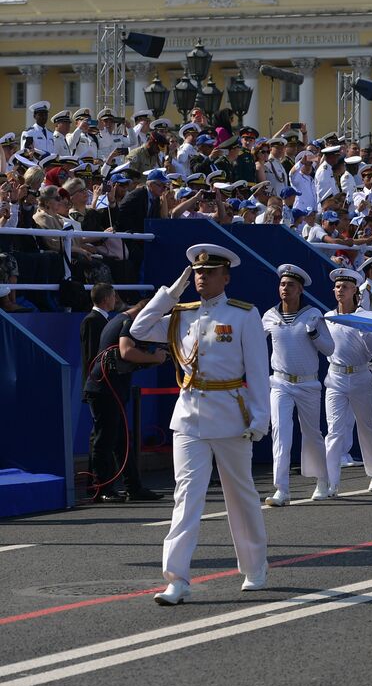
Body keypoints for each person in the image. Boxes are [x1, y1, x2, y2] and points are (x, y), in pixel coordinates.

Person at [129, 244, 271, 605]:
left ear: (226, 277)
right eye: (196, 272)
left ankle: (255, 566)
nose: (201, 278)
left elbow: (257, 370)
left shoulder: (243, 315)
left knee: (241, 495)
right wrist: (172, 292)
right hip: (190, 417)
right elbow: (140, 328)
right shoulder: (181, 315)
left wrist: (260, 418)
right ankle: (177, 578)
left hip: (230, 417)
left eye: (209, 272)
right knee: (186, 497)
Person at [261, 264, 334, 506]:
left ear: (300, 289)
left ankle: (322, 480)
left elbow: (330, 349)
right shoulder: (269, 315)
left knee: (312, 433)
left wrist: (314, 334)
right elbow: (254, 343)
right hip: (280, 383)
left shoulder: (313, 314)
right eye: (282, 284)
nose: (285, 289)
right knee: (281, 433)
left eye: (290, 285)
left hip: (308, 385)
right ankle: (282, 489)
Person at [82, 297, 165, 503]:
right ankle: (102, 489)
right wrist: (155, 358)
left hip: (109, 389)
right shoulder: (128, 323)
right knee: (105, 440)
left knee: (121, 441)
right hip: (105, 390)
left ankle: (132, 487)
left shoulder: (119, 320)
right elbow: (126, 351)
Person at [322, 267, 372, 493]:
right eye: (338, 287)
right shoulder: (329, 317)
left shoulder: (364, 317)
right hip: (335, 377)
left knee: (366, 426)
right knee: (334, 430)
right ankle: (329, 481)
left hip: (361, 376)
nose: (340, 290)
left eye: (345, 287)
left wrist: (363, 330)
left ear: (354, 291)